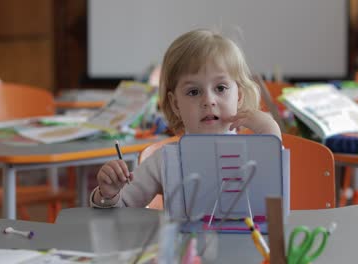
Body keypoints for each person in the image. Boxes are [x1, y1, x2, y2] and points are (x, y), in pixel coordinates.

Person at [90, 29, 282, 208]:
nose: (208, 100)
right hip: (184, 245)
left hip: (247, 244)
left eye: (220, 88)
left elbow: (276, 195)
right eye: (193, 91)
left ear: (238, 97)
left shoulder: (256, 150)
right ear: (176, 105)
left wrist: (271, 135)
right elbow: (122, 207)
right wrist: (108, 193)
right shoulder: (166, 160)